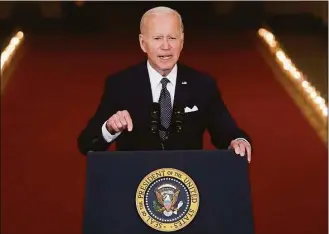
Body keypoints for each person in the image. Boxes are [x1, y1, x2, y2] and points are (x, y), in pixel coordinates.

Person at [77, 6, 252, 162]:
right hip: (136, 184)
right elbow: (87, 144)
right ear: (142, 43)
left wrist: (238, 141)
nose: (166, 46)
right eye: (158, 38)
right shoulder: (120, 84)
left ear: (182, 42)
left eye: (172, 38)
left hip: (187, 184)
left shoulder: (202, 85)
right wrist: (109, 127)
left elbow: (228, 132)